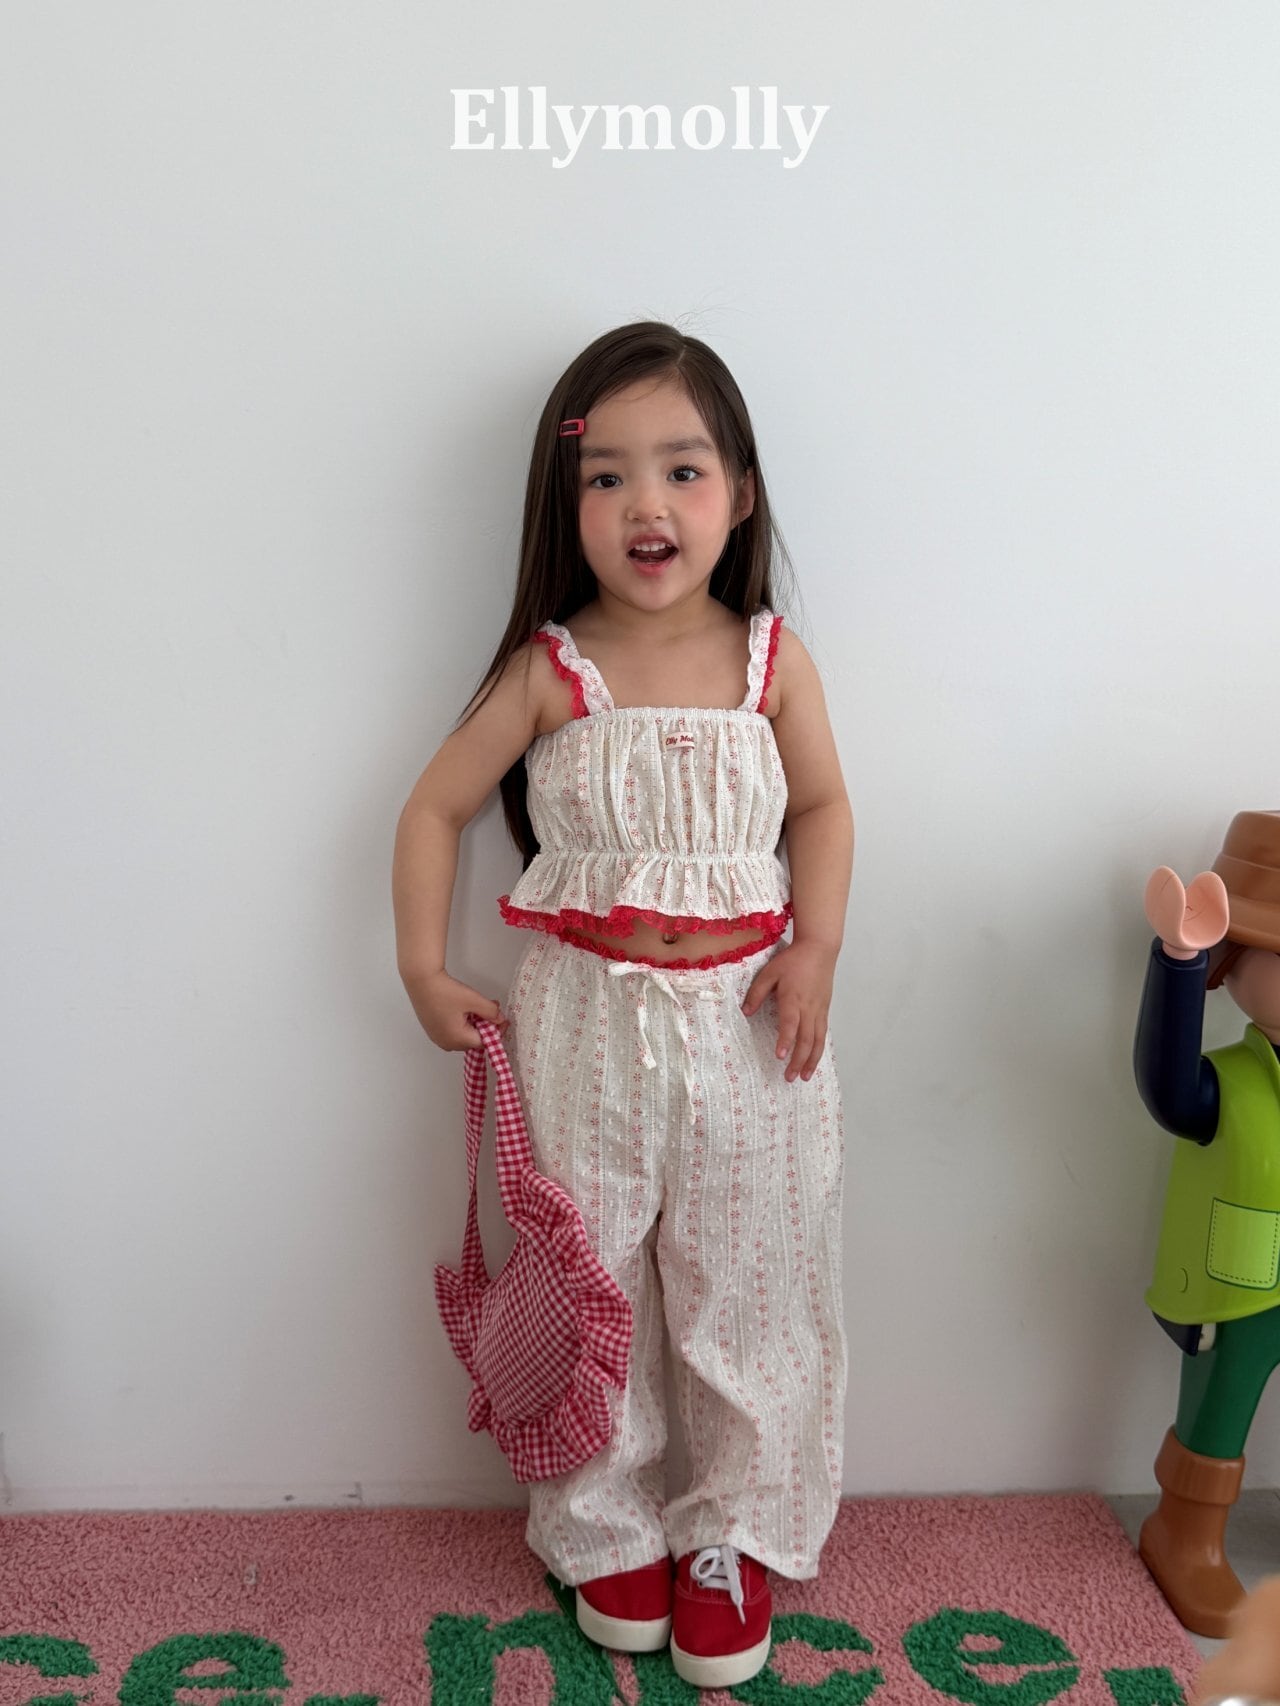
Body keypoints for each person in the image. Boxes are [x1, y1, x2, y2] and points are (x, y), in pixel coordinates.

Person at [392, 320, 853, 1689]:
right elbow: (433, 806)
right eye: (608, 477)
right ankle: (600, 1524)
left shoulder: (771, 661)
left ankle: (734, 1531)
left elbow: (824, 806)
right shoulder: (551, 668)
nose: (646, 504)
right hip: (582, 1024)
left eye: (683, 469)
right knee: (587, 1271)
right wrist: (420, 963)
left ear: (741, 494)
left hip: (749, 1025)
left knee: (749, 1277)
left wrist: (819, 944)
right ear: (568, 501)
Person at [1133, 814, 1280, 1639]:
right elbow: (1167, 1087)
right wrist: (1178, 963)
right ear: (1236, 961)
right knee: (1219, 1410)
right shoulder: (1230, 1084)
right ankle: (1186, 1535)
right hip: (1243, 1288)